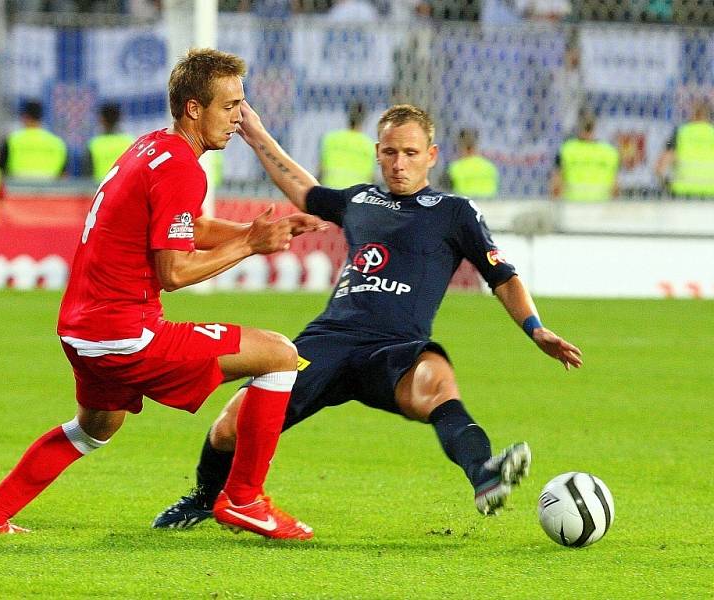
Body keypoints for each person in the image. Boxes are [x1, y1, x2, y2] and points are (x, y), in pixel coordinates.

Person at [152, 102, 583, 530]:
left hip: (395, 347)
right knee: (230, 427)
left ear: (431, 156)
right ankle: (205, 500)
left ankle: (484, 474)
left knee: (437, 384)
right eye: (391, 153)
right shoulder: (360, 199)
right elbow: (305, 191)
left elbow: (502, 277)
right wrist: (257, 135)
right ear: (378, 152)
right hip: (330, 339)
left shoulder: (454, 213)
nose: (399, 164)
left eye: (411, 153)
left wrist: (536, 328)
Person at [0, 48, 325, 540]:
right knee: (279, 355)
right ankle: (244, 499)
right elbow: (173, 271)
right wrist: (250, 245)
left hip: (80, 330)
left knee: (93, 429)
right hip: (126, 331)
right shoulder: (181, 168)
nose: (240, 117)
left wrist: (260, 232)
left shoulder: (151, 147)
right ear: (194, 108)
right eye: (230, 105)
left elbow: (186, 226)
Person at [550, 112, 619, 202]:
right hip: (600, 205)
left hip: (573, 204)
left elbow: (556, 182)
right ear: (595, 127)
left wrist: (555, 203)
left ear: (579, 127)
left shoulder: (567, 149)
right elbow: (615, 186)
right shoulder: (609, 151)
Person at [655, 99, 714, 198]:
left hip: (683, 194)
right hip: (711, 195)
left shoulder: (680, 133)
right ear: (708, 116)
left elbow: (659, 167)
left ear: (692, 114)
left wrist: (667, 185)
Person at [0, 100, 68, 179]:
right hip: (50, 189)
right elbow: (63, 176)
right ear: (41, 118)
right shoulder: (57, 143)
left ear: (25, 117)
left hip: (17, 189)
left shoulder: (12, 140)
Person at [318, 101, 376, 188]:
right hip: (356, 194)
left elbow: (321, 169)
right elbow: (371, 176)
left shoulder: (330, 138)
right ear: (365, 119)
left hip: (331, 190)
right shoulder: (369, 144)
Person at [86, 103, 135, 183]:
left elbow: (87, 176)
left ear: (102, 119)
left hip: (100, 190)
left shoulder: (94, 144)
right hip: (125, 189)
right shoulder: (130, 142)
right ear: (119, 118)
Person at [445, 128, 499, 198]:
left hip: (463, 204)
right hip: (490, 204)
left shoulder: (454, 168)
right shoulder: (490, 166)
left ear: (461, 146)